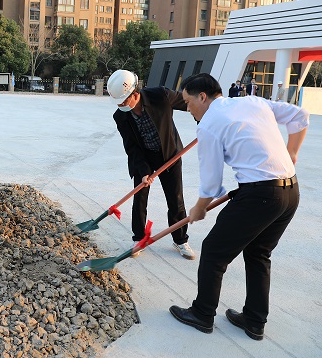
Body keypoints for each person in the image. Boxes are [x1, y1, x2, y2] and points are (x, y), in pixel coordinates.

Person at [170, 73, 309, 340]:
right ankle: (254, 321)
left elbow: (211, 181)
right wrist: (292, 152)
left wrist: (199, 208)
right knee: (258, 253)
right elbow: (299, 115)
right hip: (291, 191)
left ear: (202, 97)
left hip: (261, 195)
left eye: (187, 102)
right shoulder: (251, 101)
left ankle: (202, 314)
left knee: (213, 251)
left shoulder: (208, 123)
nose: (187, 109)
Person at [106, 70, 195, 259]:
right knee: (139, 198)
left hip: (169, 154)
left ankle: (180, 240)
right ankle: (139, 239)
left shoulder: (161, 96)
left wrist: (204, 121)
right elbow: (131, 147)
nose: (121, 105)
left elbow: (190, 104)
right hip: (144, 158)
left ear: (134, 93)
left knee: (176, 199)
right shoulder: (121, 116)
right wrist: (144, 171)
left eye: (123, 101)